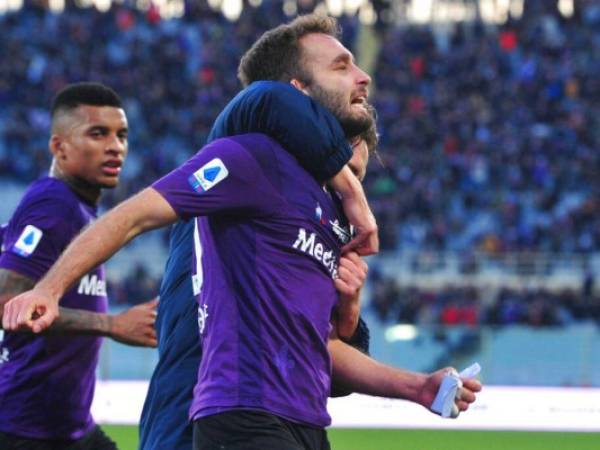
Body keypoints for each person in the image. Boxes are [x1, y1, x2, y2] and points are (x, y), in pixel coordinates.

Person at [4, 16, 481, 450]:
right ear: (299, 95)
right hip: (201, 417)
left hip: (294, 418)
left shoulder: (319, 213)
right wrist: (52, 288)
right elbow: (260, 101)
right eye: (341, 66)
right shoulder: (251, 156)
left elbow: (322, 357)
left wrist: (367, 331)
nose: (363, 78)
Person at [140, 80, 375, 450]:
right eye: (333, 169)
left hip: (272, 425)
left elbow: (334, 378)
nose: (345, 195)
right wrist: (348, 186)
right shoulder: (244, 168)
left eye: (358, 178)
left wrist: (349, 307)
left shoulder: (314, 238)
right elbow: (267, 97)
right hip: (200, 420)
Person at [0, 82, 157, 449]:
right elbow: (6, 301)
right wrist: (111, 324)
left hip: (69, 427)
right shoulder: (54, 203)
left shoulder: (78, 210)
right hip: (24, 429)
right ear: (59, 147)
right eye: (98, 134)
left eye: (122, 135)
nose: (115, 147)